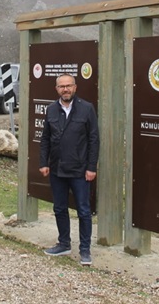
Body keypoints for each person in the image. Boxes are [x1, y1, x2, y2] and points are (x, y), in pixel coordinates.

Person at [39, 74, 99, 266]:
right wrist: (43, 163)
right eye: (61, 86)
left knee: (83, 210)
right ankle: (64, 243)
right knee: (59, 208)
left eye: (69, 86)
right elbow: (45, 139)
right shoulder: (51, 109)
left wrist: (91, 167)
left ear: (75, 87)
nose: (65, 89)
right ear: (56, 89)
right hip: (57, 169)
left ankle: (85, 250)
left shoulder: (87, 108)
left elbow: (94, 140)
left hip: (80, 170)